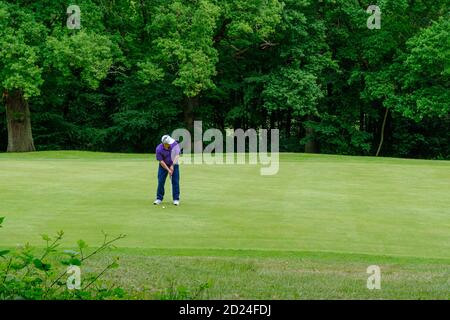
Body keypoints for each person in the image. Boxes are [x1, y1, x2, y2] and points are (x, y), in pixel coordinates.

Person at [154, 135, 181, 206]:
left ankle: (176, 199)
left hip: (174, 163)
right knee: (161, 181)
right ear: (164, 143)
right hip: (163, 165)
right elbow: (161, 161)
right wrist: (168, 170)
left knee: (175, 181)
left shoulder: (174, 144)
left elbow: (177, 155)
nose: (170, 144)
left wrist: (172, 166)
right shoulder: (159, 149)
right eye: (168, 143)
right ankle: (159, 198)